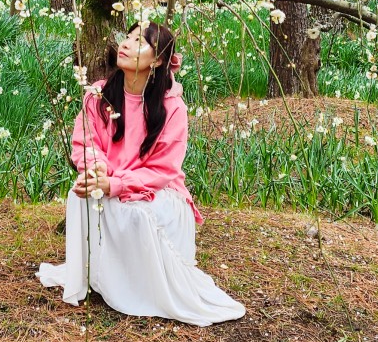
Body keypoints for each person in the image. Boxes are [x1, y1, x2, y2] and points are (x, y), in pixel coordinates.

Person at [36, 21, 246, 326]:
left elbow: (163, 170)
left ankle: (138, 287)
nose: (126, 44)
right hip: (111, 180)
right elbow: (86, 141)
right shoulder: (99, 94)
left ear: (158, 60)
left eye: (139, 42)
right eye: (128, 37)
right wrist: (95, 170)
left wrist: (117, 184)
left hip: (160, 193)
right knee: (79, 195)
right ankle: (106, 276)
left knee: (136, 212)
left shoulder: (171, 108)